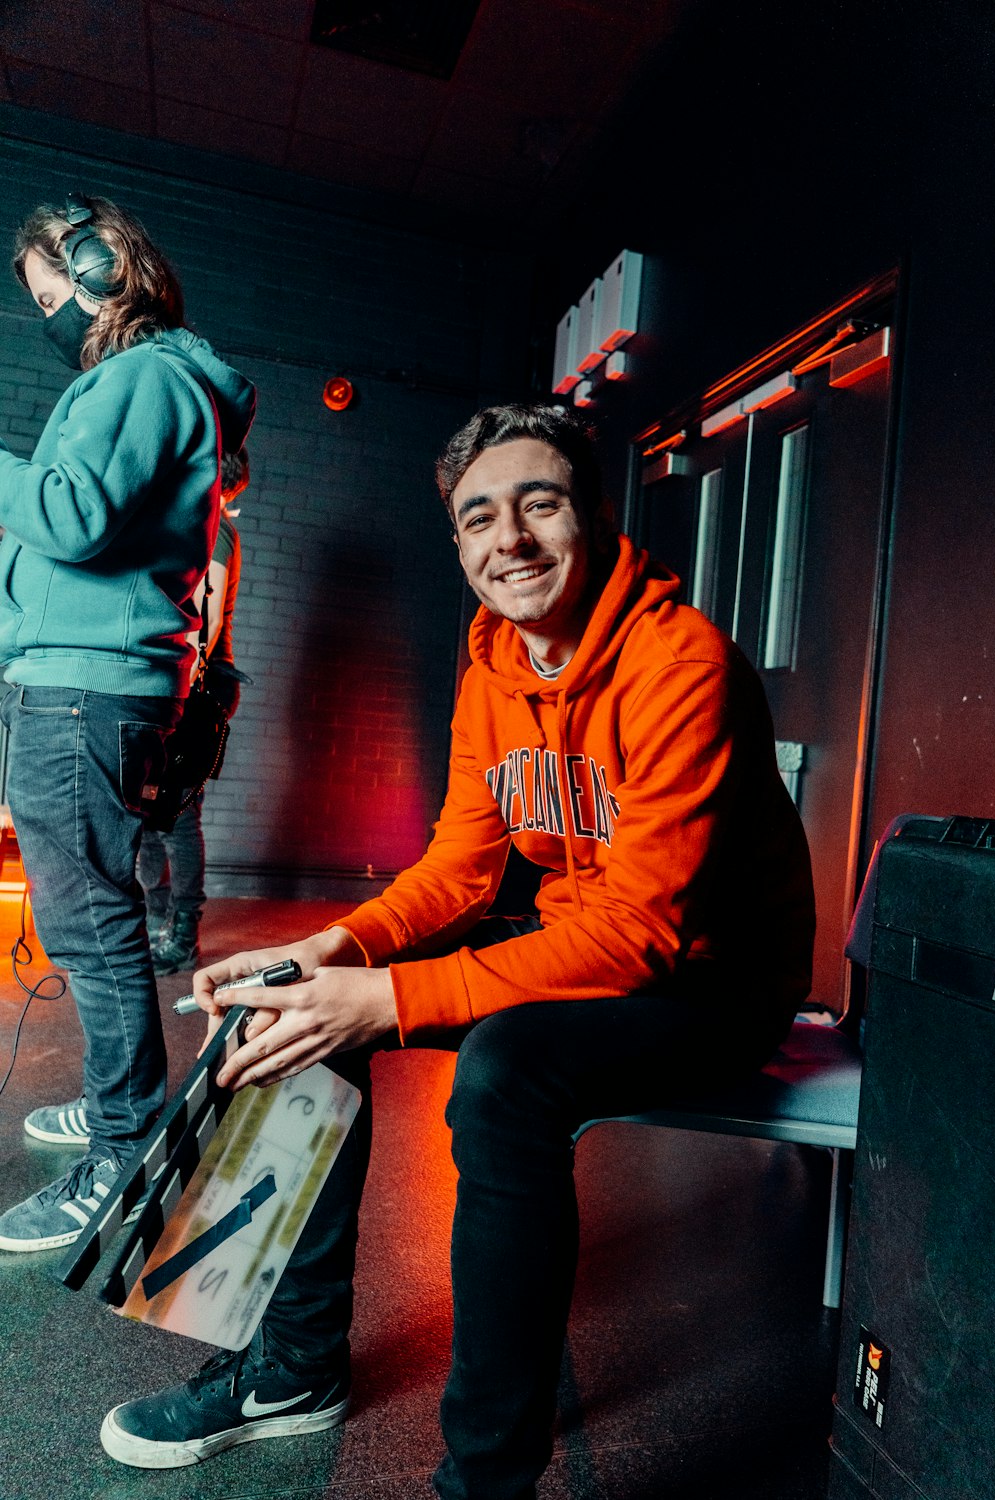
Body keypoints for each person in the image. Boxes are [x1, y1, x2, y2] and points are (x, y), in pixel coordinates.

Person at [100, 404, 814, 1498]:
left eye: (540, 503)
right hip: (591, 933)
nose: (509, 538)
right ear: (460, 542)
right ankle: (290, 1370)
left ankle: (486, 1478)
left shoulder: (683, 665)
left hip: (713, 978)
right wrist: (330, 947)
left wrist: (385, 998)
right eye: (480, 516)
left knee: (506, 1074)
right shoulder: (493, 665)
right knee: (294, 1005)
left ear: (593, 517)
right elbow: (460, 870)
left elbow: (645, 931)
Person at [0, 192, 255, 1252]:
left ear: (105, 268)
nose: (47, 311)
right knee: (89, 918)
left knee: (92, 925)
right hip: (73, 680)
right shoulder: (142, 383)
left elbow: (70, 516)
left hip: (82, 690)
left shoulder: (145, 376)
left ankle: (123, 1145)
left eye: (50, 288)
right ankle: (123, 1108)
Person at [138, 446, 249, 975]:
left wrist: (180, 691)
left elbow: (203, 622)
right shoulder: (198, 525)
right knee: (147, 813)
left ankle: (182, 935)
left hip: (197, 689)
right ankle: (156, 922)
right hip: (175, 683)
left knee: (178, 816)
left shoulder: (218, 531)